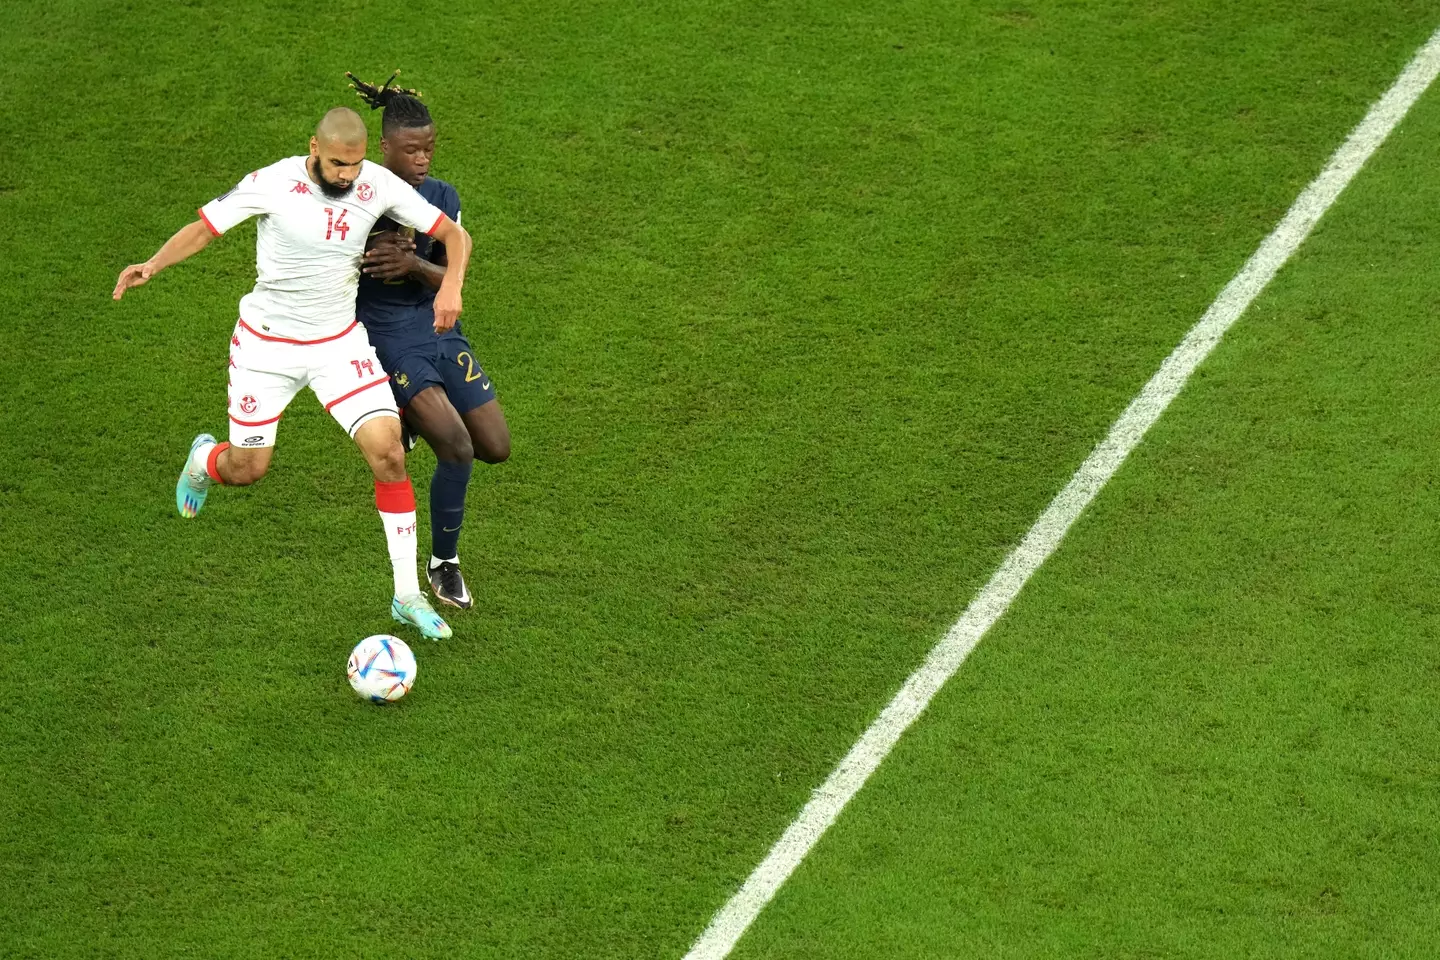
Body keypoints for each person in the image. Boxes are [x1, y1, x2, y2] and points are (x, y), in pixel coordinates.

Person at [111, 106, 474, 641]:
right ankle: (205, 460)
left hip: (338, 346)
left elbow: (454, 237)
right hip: (267, 351)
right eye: (336, 165)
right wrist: (152, 264)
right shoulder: (272, 183)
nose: (346, 176)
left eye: (353, 165)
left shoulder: (375, 184)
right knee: (247, 469)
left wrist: (451, 285)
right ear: (313, 148)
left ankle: (406, 597)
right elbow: (204, 230)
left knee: (390, 454)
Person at [347, 72, 511, 610]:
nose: (423, 159)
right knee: (457, 447)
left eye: (430, 148)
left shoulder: (441, 198)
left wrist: (413, 262)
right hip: (388, 337)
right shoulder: (356, 199)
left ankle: (412, 414)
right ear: (385, 148)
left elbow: (451, 279)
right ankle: (444, 567)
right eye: (412, 150)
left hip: (439, 329)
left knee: (494, 447)